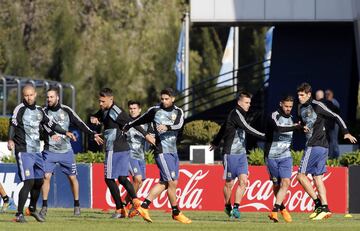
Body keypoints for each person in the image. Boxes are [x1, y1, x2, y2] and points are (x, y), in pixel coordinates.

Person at [7, 84, 76, 223]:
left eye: (31, 95)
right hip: (24, 151)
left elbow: (51, 124)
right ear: (23, 96)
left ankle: (32, 208)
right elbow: (13, 124)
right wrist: (10, 139)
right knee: (29, 181)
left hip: (37, 152)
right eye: (26, 95)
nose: (29, 97)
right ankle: (19, 214)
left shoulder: (39, 110)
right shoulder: (20, 109)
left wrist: (65, 132)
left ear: (35, 95)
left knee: (40, 180)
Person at [124, 88, 192, 224]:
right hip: (161, 150)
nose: (164, 101)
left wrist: (167, 127)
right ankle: (176, 212)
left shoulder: (178, 111)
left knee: (166, 183)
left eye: (167, 99)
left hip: (173, 151)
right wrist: (126, 126)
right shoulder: (154, 111)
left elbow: (179, 124)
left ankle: (144, 207)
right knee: (172, 182)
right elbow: (139, 120)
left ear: (173, 99)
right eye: (162, 99)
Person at [90, 88, 154, 219]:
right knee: (122, 178)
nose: (100, 104)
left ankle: (120, 209)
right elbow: (97, 115)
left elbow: (132, 123)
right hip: (123, 149)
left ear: (111, 99)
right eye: (99, 101)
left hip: (114, 149)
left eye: (103, 101)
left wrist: (146, 134)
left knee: (108, 179)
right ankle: (135, 202)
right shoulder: (104, 110)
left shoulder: (116, 111)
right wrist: (94, 118)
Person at [296, 82, 357, 220]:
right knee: (317, 178)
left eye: (302, 95)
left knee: (300, 176)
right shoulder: (300, 108)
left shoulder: (317, 105)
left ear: (309, 94)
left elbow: (336, 116)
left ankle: (317, 204)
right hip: (321, 146)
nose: (299, 97)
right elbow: (302, 124)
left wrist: (345, 132)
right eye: (298, 95)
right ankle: (324, 208)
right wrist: (301, 127)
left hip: (314, 145)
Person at [39, 87, 103, 217]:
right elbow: (43, 127)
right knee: (46, 177)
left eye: (51, 97)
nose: (49, 99)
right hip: (49, 151)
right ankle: (44, 206)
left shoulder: (66, 110)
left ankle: (77, 205)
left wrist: (93, 134)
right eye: (47, 97)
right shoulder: (43, 111)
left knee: (72, 178)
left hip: (66, 151)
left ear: (57, 98)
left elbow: (79, 123)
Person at [210, 91, 265, 219]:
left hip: (241, 154)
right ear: (239, 102)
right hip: (230, 154)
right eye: (246, 103)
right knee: (229, 183)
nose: (248, 105)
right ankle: (227, 205)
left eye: (249, 103)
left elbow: (224, 126)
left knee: (243, 181)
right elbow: (246, 127)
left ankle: (236, 208)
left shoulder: (241, 114)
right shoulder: (235, 113)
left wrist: (216, 141)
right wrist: (264, 136)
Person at [265, 95, 303, 223]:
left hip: (286, 156)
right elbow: (278, 129)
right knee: (276, 184)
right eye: (286, 106)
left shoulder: (292, 118)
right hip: (271, 156)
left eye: (290, 107)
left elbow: (297, 129)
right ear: (281, 104)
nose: (288, 109)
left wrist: (302, 128)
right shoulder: (274, 115)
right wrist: (296, 127)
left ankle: (274, 211)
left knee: (286, 182)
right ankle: (283, 208)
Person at [124, 100, 149, 209]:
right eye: (130, 108)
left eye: (134, 108)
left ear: (139, 110)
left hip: (141, 156)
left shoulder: (146, 123)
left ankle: (125, 203)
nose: (132, 110)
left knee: (140, 183)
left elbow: (151, 135)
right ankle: (129, 203)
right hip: (129, 155)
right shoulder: (125, 122)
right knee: (137, 179)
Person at [325, 89, 340, 159]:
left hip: (335, 124)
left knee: (334, 140)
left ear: (331, 94)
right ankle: (330, 156)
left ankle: (336, 156)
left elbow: (336, 112)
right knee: (330, 140)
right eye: (326, 94)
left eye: (328, 94)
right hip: (329, 125)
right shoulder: (326, 102)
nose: (327, 95)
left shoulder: (334, 102)